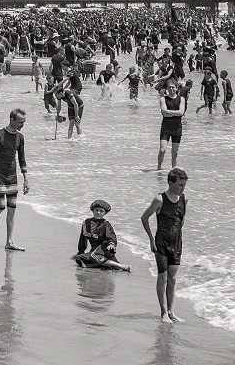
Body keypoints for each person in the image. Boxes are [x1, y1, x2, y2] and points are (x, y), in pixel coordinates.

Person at [141, 168, 188, 324]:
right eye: (180, 185)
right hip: (161, 243)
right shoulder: (160, 200)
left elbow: (181, 220)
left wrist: (179, 240)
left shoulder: (184, 199)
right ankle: (163, 313)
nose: (183, 188)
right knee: (163, 277)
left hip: (176, 244)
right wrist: (151, 239)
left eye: (184, 185)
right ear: (170, 183)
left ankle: (171, 312)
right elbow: (144, 217)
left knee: (173, 278)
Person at [0, 109, 30, 251]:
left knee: (12, 209)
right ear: (12, 120)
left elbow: (22, 160)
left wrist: (26, 179)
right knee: (0, 207)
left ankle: (9, 241)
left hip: (12, 177)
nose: (23, 125)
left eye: (24, 122)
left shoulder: (20, 138)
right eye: (21, 122)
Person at [73, 200, 130, 272]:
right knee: (78, 258)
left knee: (95, 256)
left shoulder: (106, 224)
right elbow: (83, 239)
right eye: (96, 210)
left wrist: (111, 243)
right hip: (94, 250)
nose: (98, 212)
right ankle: (104, 263)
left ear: (105, 213)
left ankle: (121, 266)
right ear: (92, 211)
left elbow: (111, 235)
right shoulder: (86, 222)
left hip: (105, 248)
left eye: (101, 211)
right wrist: (81, 251)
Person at [157, 80, 186, 170]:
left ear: (177, 88)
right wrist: (175, 113)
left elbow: (181, 112)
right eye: (169, 87)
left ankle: (173, 170)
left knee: (175, 152)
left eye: (173, 87)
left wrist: (169, 112)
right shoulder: (163, 99)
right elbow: (164, 112)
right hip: (166, 127)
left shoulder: (181, 99)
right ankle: (159, 168)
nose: (171, 89)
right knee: (162, 149)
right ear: (167, 89)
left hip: (177, 128)